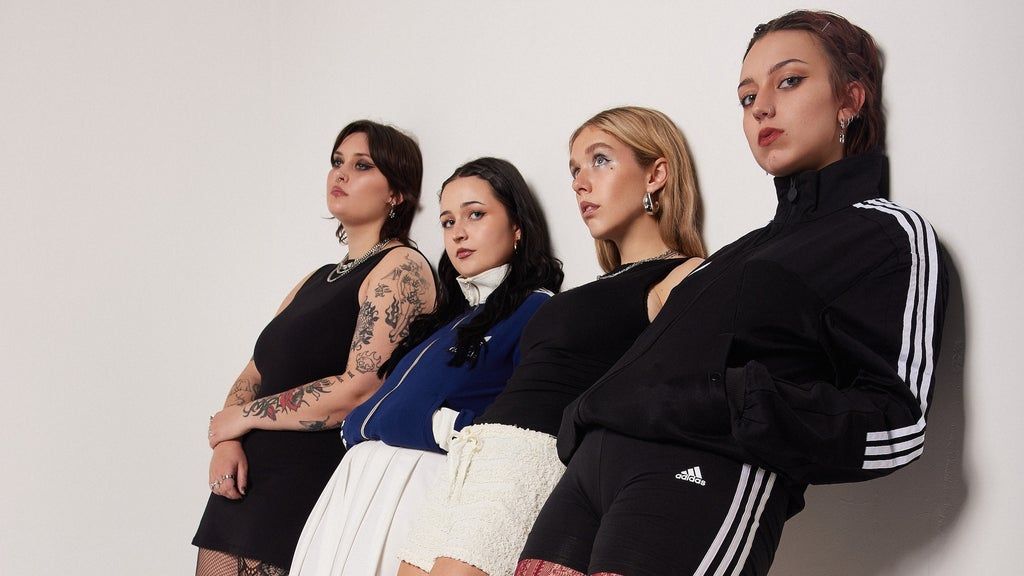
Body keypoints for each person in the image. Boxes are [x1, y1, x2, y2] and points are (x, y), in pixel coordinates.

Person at [521, 10, 949, 576]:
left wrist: (736, 401)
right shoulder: (737, 252)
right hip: (588, 476)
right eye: (747, 97)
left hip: (695, 473)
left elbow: (898, 423)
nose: (761, 107)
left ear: (850, 99)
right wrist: (583, 415)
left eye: (788, 81)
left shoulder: (885, 233)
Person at [398, 106, 707, 576]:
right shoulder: (595, 286)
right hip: (475, 454)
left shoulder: (683, 274)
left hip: (531, 456)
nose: (581, 183)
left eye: (600, 160)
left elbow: (678, 393)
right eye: (575, 169)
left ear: (656, 174)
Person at [287, 157, 564, 576]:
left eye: (475, 214)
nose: (458, 232)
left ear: (517, 226)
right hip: (355, 495)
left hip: (421, 494)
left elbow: (528, 433)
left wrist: (440, 426)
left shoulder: (539, 311)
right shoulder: (449, 320)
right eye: (448, 221)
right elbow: (383, 406)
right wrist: (362, 425)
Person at [194, 120, 436, 576]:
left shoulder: (401, 267)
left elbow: (359, 390)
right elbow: (254, 371)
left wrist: (241, 418)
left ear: (396, 193)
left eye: (362, 166)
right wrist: (226, 440)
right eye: (337, 162)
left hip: (305, 481)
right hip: (247, 478)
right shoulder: (315, 278)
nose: (340, 174)